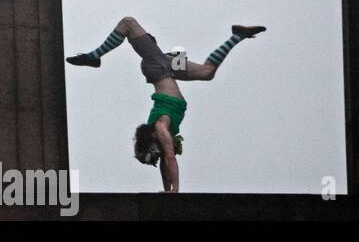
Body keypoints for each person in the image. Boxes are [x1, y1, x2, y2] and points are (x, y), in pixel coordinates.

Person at [66, 16, 265, 192]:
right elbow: (164, 158)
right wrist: (167, 190)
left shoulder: (161, 128)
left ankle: (94, 56)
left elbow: (170, 157)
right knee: (207, 72)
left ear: (151, 140)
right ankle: (238, 35)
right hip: (167, 66)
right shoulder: (160, 133)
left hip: (158, 66)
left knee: (128, 23)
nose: (158, 152)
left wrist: (175, 190)